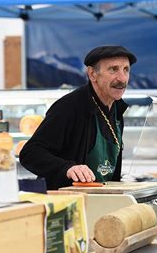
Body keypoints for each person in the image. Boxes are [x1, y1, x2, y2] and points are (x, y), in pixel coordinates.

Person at [20, 45, 136, 190]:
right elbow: (30, 153)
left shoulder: (116, 110)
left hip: (102, 200)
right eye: (113, 69)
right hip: (68, 203)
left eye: (126, 69)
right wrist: (67, 168)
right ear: (93, 74)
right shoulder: (69, 107)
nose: (122, 78)